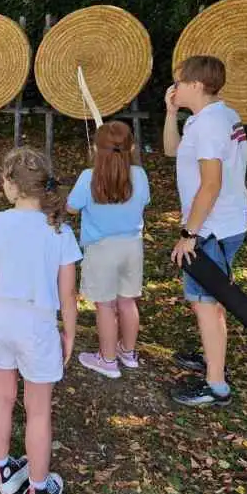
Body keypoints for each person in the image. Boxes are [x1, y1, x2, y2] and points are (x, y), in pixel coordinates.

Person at [0, 147, 80, 494]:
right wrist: (69, 333)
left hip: (1, 320)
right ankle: (37, 489)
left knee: (1, 397)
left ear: (9, 185)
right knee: (38, 410)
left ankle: (3, 467)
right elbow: (68, 293)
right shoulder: (60, 230)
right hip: (38, 327)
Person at [164, 55, 247, 407]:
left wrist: (190, 234)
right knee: (213, 300)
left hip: (211, 229)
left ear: (197, 86)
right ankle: (213, 358)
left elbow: (210, 185)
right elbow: (171, 151)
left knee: (204, 303)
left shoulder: (211, 125)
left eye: (180, 83)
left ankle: (216, 385)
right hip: (224, 224)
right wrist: (171, 113)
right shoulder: (213, 117)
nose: (175, 87)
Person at [66, 121, 150, 379]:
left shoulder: (88, 177)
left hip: (101, 249)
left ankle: (108, 359)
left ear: (95, 149)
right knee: (127, 301)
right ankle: (128, 352)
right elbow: (144, 201)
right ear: (132, 147)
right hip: (132, 247)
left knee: (105, 306)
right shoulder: (140, 175)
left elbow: (71, 207)